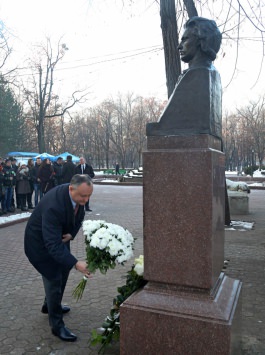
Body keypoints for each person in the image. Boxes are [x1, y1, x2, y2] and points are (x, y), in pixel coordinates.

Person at [24, 174, 93, 342]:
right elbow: (52, 245)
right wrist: (76, 263)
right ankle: (57, 326)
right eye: (83, 196)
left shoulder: (78, 197)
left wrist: (72, 234)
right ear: (71, 189)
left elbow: (79, 215)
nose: (85, 200)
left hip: (59, 238)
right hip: (39, 246)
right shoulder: (53, 205)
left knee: (64, 271)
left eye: (89, 196)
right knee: (54, 278)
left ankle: (49, 305)